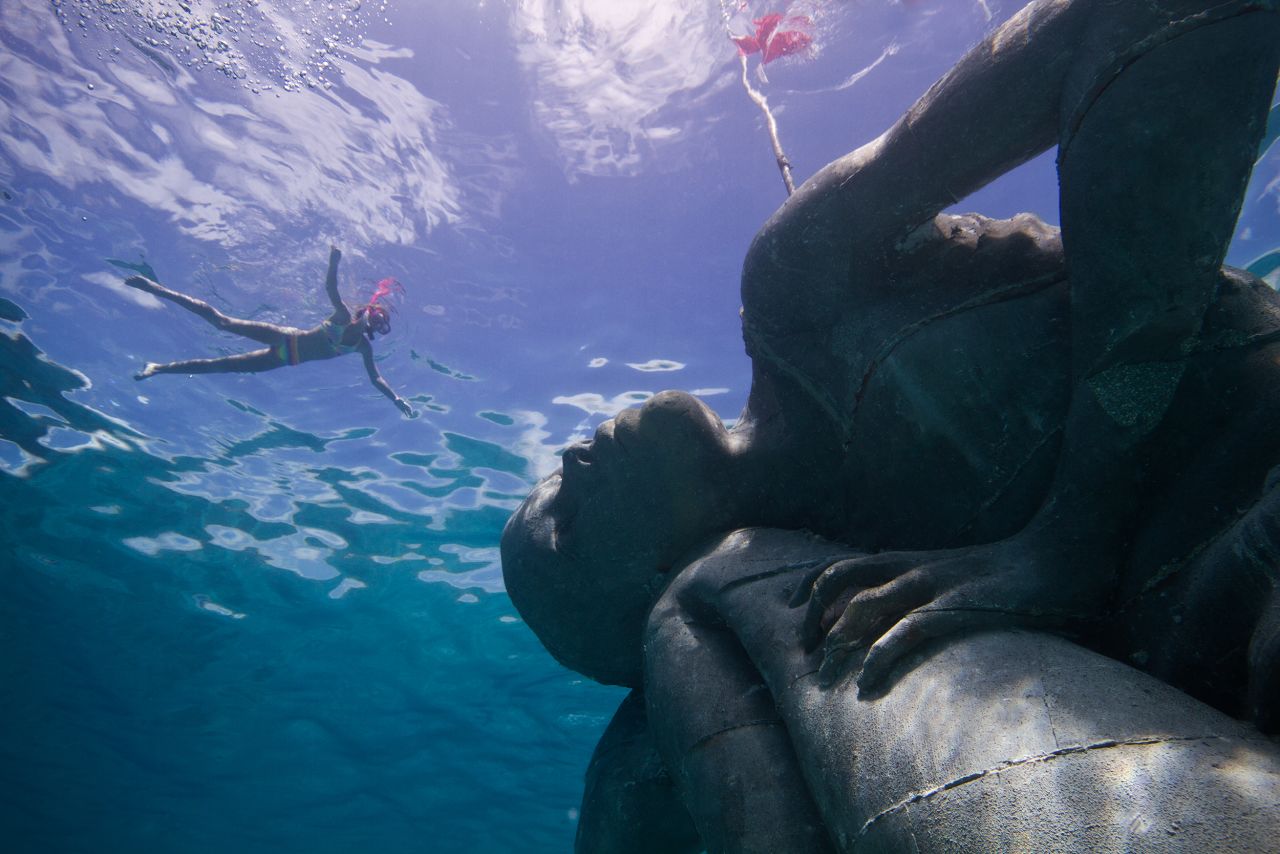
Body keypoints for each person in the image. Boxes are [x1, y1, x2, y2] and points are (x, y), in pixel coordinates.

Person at [502, 0, 1280, 848]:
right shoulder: (862, 605)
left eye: (550, 477)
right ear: (649, 580)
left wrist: (1073, 535)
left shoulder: (799, 296)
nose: (572, 459)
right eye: (566, 523)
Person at [126, 245, 417, 417]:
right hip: (284, 337)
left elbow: (375, 377)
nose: (374, 320)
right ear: (365, 312)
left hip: (284, 359)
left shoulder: (362, 348)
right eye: (375, 315)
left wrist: (395, 398)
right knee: (221, 322)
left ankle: (159, 368)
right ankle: (156, 288)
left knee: (222, 366)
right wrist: (334, 263)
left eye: (379, 321)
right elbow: (331, 288)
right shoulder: (342, 317)